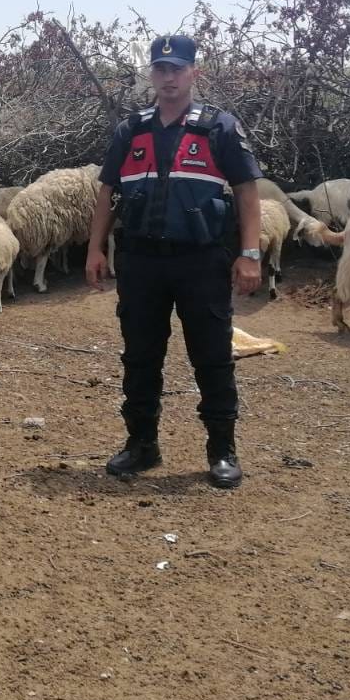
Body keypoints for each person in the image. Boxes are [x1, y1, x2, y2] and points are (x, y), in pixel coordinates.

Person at [86, 34, 263, 488]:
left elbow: (247, 192)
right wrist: (95, 248)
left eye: (177, 69)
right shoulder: (131, 130)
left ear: (193, 73)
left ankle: (222, 449)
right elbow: (108, 190)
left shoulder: (219, 127)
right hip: (142, 262)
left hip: (201, 261)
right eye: (161, 69)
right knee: (141, 357)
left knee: (212, 357)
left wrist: (249, 254)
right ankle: (141, 444)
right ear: (152, 74)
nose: (168, 77)